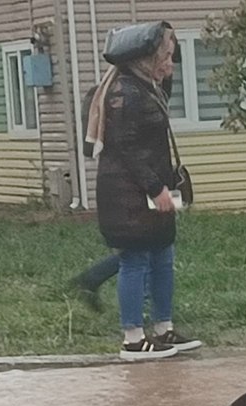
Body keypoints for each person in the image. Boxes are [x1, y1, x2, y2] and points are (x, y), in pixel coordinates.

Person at [86, 23, 200, 361]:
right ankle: (133, 339)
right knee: (135, 261)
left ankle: (164, 329)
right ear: (146, 59)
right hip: (127, 193)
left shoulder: (147, 86)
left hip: (152, 186)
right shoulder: (125, 92)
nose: (170, 64)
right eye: (165, 57)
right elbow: (126, 146)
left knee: (163, 257)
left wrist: (161, 186)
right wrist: (155, 187)